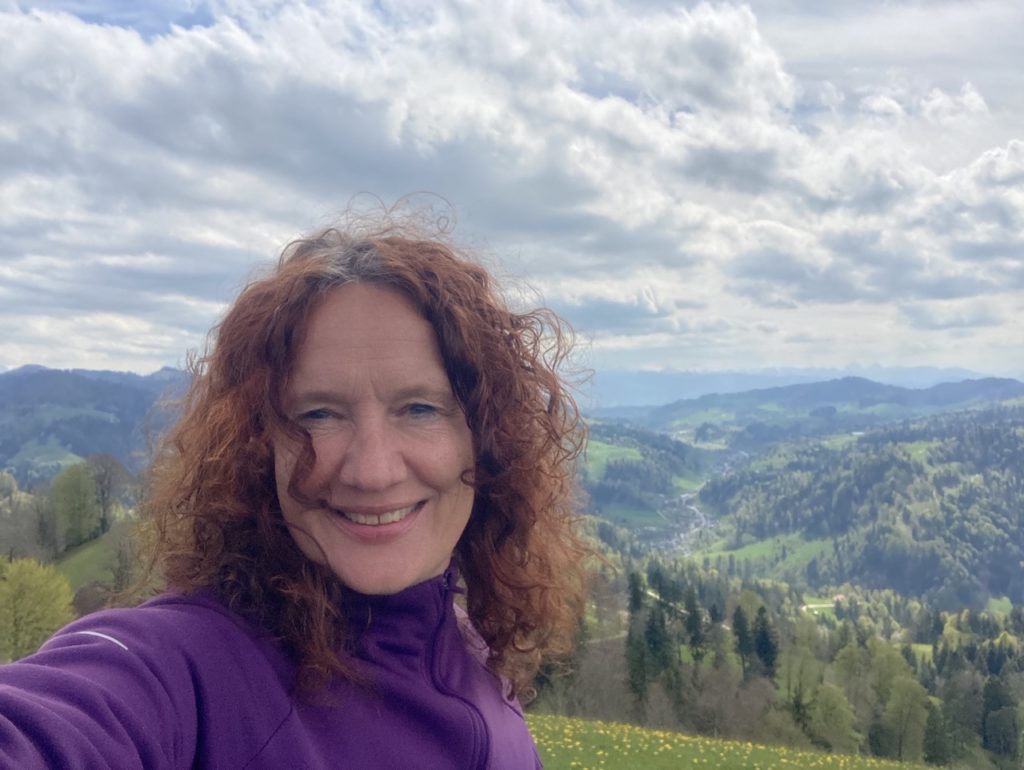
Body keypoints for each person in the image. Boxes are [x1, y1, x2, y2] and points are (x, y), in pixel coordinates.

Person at [0, 217, 591, 768]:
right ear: (258, 446)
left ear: (485, 439)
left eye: (419, 408)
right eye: (319, 415)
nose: (372, 472)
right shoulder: (190, 670)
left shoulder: (471, 652)